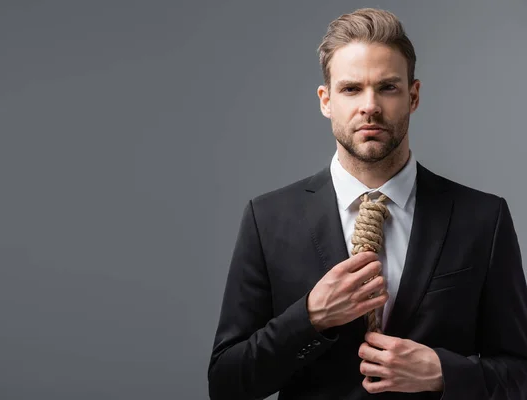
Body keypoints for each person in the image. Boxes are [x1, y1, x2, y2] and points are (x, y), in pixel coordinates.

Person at [207, 7, 527, 400]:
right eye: (351, 89)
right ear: (326, 100)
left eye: (388, 87)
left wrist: (445, 373)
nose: (370, 105)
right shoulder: (267, 219)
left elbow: (520, 373)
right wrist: (310, 317)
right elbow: (226, 382)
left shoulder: (484, 219)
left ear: (413, 95)